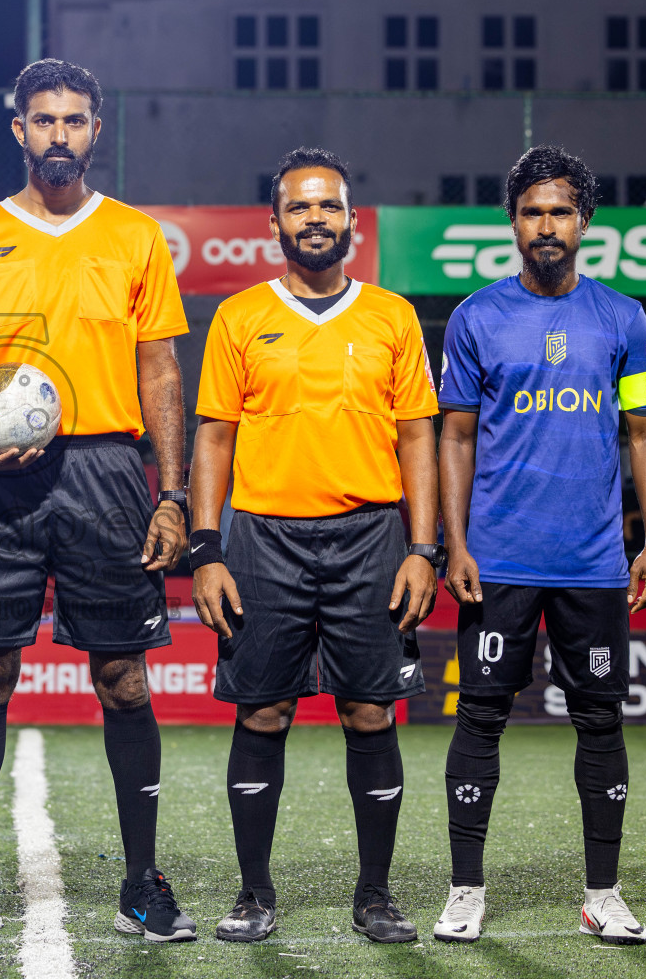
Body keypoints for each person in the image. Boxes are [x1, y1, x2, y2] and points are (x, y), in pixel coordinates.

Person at [0, 58, 194, 942]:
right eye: (44, 120)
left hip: (108, 471)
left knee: (123, 678)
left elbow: (160, 370)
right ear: (20, 130)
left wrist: (172, 493)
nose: (59, 134)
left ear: (95, 131)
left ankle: (142, 883)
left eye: (75, 120)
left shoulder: (136, 236)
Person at [188, 147, 440, 945]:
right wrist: (207, 549)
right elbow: (213, 437)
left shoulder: (392, 316)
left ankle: (376, 895)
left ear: (353, 221)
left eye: (329, 205)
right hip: (264, 539)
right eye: (299, 206)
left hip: (373, 537)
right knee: (263, 711)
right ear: (274, 224)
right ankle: (254, 894)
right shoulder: (239, 316)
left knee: (370, 711)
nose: (315, 218)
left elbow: (418, 437)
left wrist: (423, 548)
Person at [435, 145, 646, 945]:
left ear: (584, 221)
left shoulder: (623, 318)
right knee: (480, 716)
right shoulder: (476, 317)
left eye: (560, 211)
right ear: (512, 222)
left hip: (593, 564)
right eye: (532, 212)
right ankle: (466, 890)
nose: (546, 225)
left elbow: (644, 433)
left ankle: (603, 894)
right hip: (498, 559)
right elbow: (455, 437)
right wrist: (454, 543)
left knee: (601, 721)